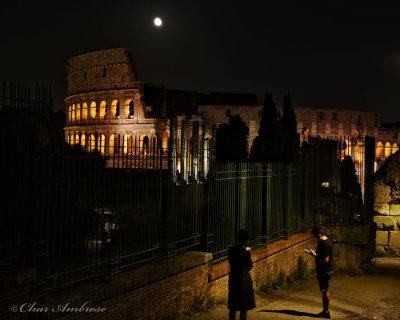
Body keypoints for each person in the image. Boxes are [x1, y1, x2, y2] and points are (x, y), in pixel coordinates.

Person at [228, 230, 256, 320]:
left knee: (233, 307)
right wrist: (248, 252)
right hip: (244, 282)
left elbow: (231, 262)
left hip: (233, 280)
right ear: (245, 241)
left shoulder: (231, 250)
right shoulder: (246, 252)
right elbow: (250, 266)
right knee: (243, 308)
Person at [306, 227, 333, 319]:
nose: (314, 238)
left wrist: (314, 255)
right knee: (324, 290)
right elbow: (322, 255)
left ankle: (326, 312)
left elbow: (326, 260)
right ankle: (325, 310)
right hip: (324, 270)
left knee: (325, 290)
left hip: (324, 270)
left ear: (319, 235)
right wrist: (315, 252)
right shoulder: (324, 242)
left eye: (314, 236)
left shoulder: (325, 244)